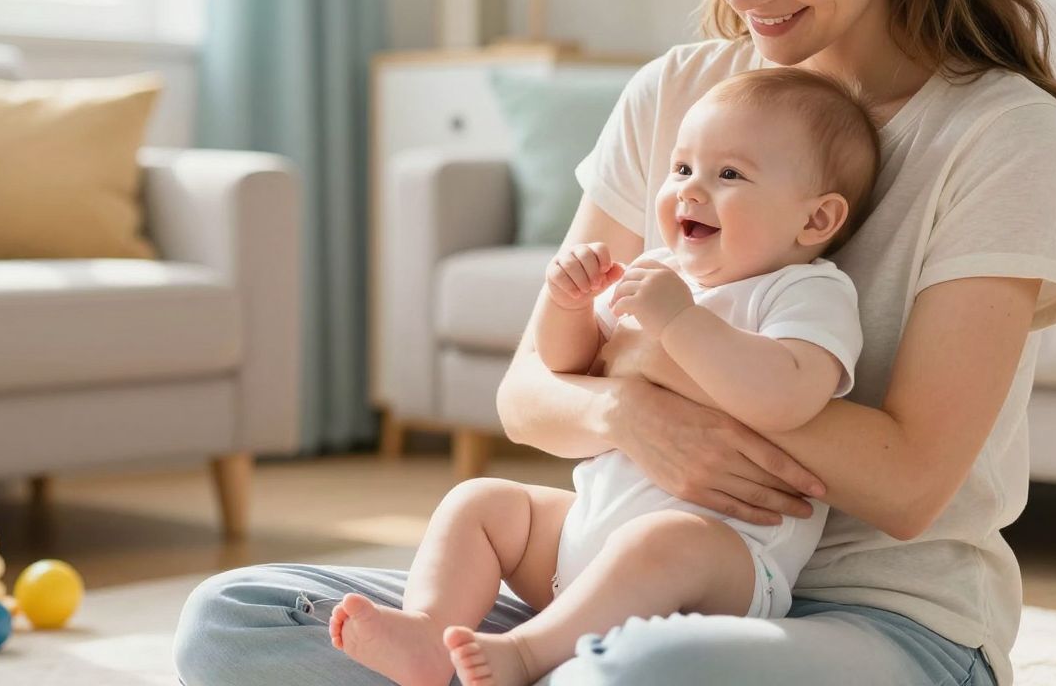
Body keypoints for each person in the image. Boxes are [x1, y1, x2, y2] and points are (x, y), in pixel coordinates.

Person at [174, 0, 1056, 686]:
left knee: (644, 669)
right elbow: (530, 396)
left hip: (881, 618)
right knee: (234, 620)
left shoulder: (998, 130)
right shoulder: (680, 92)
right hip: (609, 584)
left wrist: (660, 358)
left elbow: (909, 484)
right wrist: (631, 411)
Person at [327, 68, 879, 686]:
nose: (691, 191)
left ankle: (526, 654)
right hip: (582, 543)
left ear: (816, 220)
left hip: (723, 562)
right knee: (479, 502)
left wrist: (679, 323)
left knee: (666, 539)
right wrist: (568, 305)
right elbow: (569, 366)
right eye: (682, 168)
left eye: (729, 175)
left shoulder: (806, 291)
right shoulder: (658, 270)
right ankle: (430, 634)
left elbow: (787, 397)